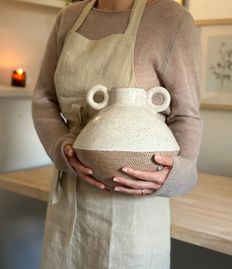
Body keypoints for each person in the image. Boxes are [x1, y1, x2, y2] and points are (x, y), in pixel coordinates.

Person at [32, 0, 203, 268]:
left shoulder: (171, 19)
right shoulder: (68, 18)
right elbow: (44, 99)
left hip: (134, 211)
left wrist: (176, 174)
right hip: (68, 201)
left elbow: (186, 115)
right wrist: (61, 146)